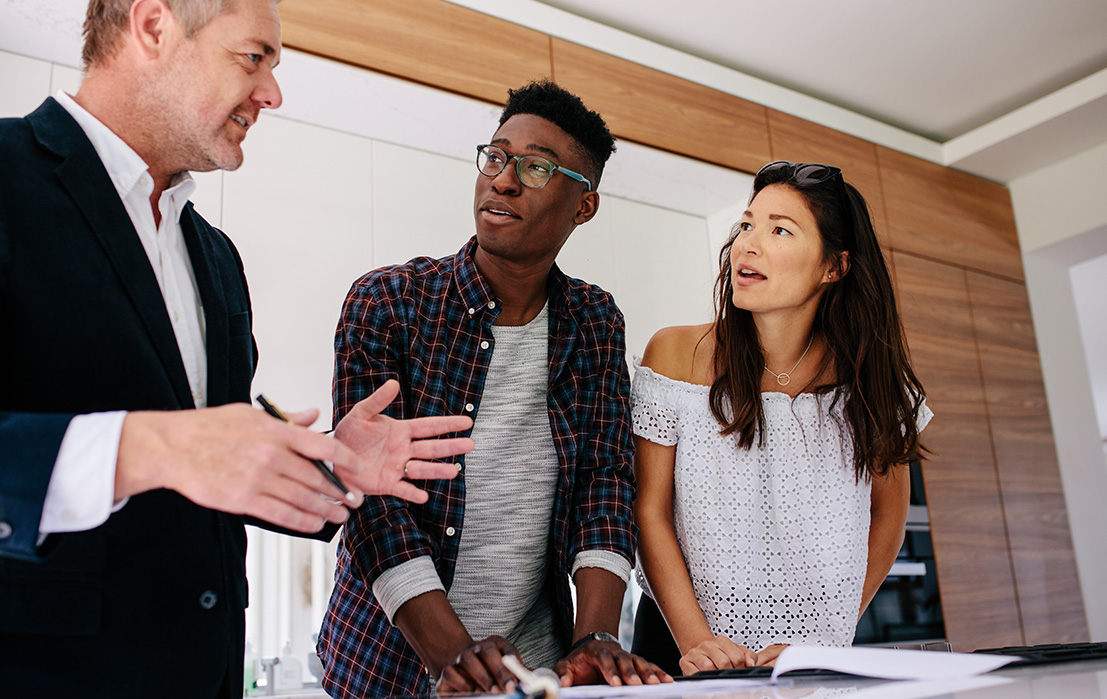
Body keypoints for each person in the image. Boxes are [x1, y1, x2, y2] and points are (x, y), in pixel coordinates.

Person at [0, 1, 473, 696]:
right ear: (154, 27)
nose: (272, 94)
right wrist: (151, 448)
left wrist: (325, 462)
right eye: (254, 58)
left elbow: (210, 472)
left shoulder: (215, 257)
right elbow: (177, 451)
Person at [318, 79, 672, 697]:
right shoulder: (389, 302)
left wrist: (596, 636)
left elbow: (604, 483)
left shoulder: (594, 321)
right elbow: (374, 500)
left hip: (538, 668)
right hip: (390, 668)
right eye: (496, 157)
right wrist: (454, 655)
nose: (503, 180)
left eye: (536, 167)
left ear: (583, 205)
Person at [631, 161, 932, 676]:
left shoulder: (870, 380)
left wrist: (827, 638)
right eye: (747, 225)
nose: (747, 244)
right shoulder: (676, 355)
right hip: (679, 642)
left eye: (780, 231)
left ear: (834, 267)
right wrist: (698, 643)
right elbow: (649, 510)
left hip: (806, 655)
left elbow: (888, 519)